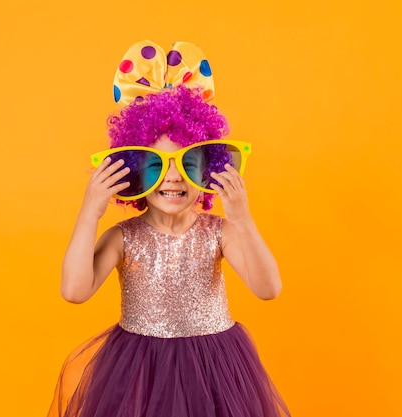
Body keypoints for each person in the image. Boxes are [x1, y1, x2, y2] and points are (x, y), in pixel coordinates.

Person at [47, 40, 291, 417]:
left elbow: (268, 288)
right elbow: (75, 291)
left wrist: (241, 218)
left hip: (215, 368)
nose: (174, 176)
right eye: (155, 162)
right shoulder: (123, 238)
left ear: (210, 168)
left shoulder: (219, 232)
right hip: (140, 369)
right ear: (131, 169)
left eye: (188, 162)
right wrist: (89, 213)